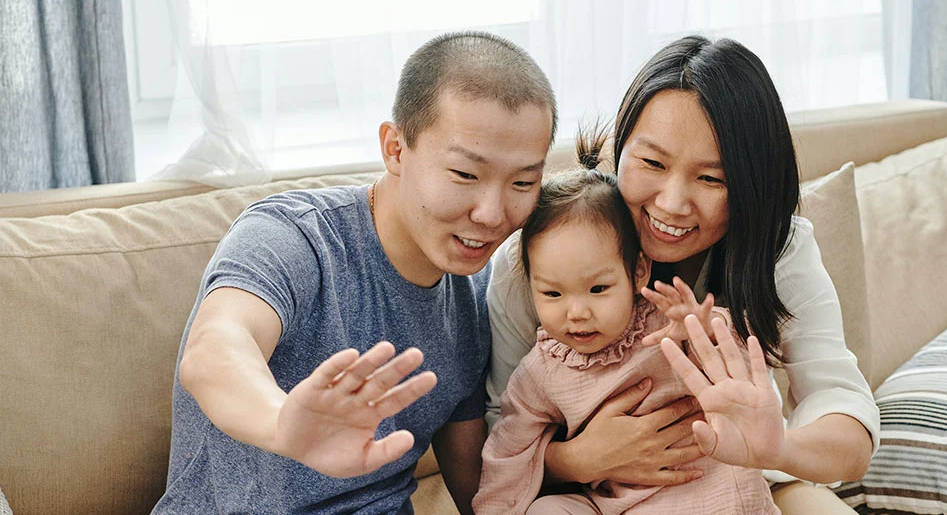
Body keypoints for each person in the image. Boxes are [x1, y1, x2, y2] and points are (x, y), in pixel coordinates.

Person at [153, 31, 556, 515]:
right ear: (395, 148)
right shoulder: (295, 237)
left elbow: (479, 490)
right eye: (465, 175)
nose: (492, 214)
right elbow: (214, 348)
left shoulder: (473, 299)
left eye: (523, 182)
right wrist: (283, 424)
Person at [485, 35, 879, 502]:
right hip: (593, 497)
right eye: (652, 162)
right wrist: (580, 458)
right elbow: (499, 434)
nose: (672, 204)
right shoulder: (539, 258)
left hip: (736, 484)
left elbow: (845, 420)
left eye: (711, 178)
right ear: (621, 148)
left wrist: (776, 448)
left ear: (750, 184)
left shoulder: (777, 250)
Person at [474, 138, 781, 514]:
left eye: (598, 289)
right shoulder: (540, 371)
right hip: (614, 504)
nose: (577, 312)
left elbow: (748, 368)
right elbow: (507, 452)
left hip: (706, 489)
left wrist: (704, 328)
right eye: (552, 293)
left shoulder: (666, 327)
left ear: (637, 272)